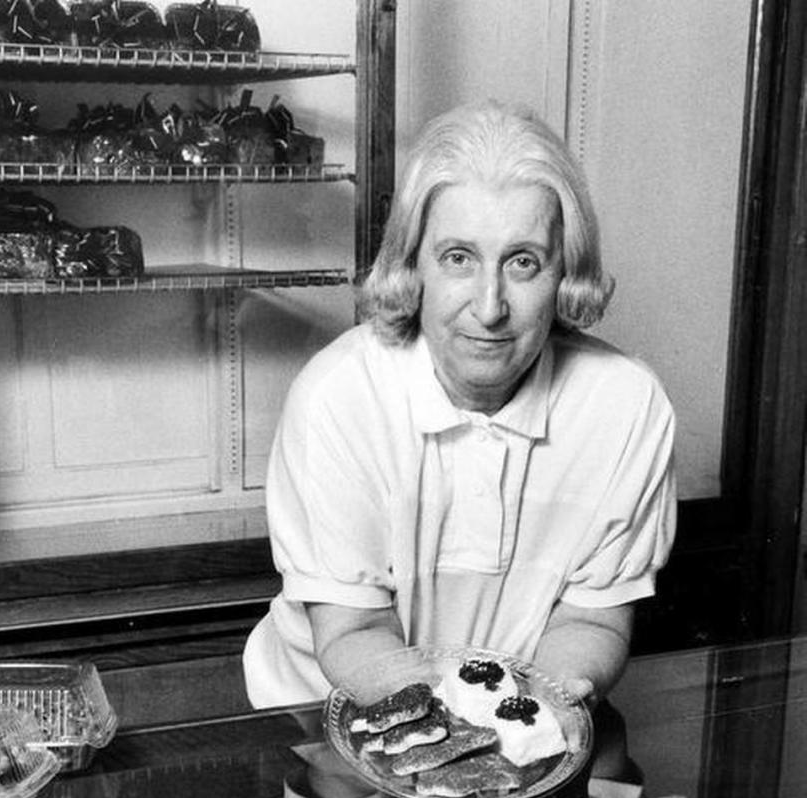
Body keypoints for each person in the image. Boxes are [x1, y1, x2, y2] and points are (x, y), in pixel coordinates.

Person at [243, 100, 676, 711]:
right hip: (319, 719)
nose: (490, 306)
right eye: (458, 259)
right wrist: (467, 740)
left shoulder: (628, 406)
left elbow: (592, 624)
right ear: (413, 264)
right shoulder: (337, 397)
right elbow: (354, 632)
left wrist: (529, 717)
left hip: (519, 716)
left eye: (523, 262)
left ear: (564, 274)